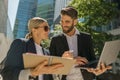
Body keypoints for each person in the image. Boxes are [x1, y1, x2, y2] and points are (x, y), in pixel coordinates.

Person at [49, 6, 111, 80]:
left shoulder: (86, 38)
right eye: (62, 21)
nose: (63, 24)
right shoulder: (55, 40)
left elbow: (92, 61)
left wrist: (96, 70)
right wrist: (68, 61)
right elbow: (50, 64)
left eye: (67, 22)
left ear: (75, 21)